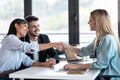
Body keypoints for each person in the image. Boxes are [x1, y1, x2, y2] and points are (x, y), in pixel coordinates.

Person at [63, 9, 120, 80]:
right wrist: (66, 46)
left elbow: (100, 64)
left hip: (109, 78)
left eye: (90, 20)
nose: (88, 23)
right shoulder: (100, 38)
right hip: (103, 76)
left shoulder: (108, 39)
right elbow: (83, 51)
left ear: (98, 22)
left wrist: (76, 66)